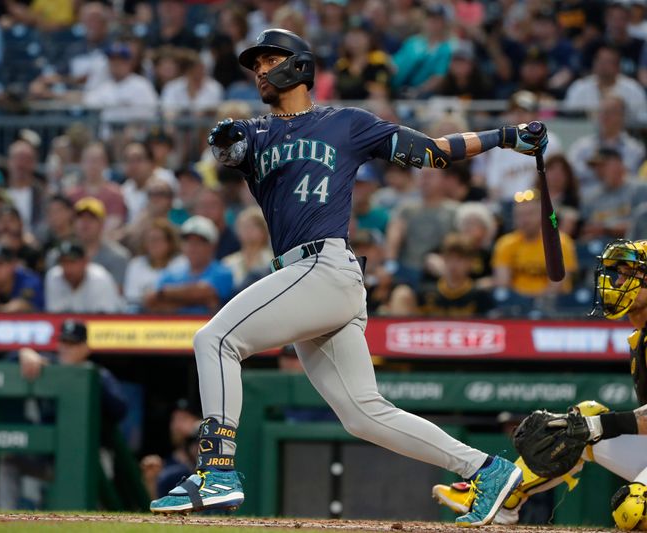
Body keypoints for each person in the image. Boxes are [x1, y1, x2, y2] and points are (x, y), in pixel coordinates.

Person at [149, 28, 550, 525]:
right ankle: (488, 470)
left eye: (269, 60)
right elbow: (226, 150)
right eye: (255, 64)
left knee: (215, 340)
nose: (259, 71)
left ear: (297, 66)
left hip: (324, 267)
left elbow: (433, 152)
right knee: (363, 414)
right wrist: (225, 139)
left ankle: (217, 470)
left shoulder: (347, 123)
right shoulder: (259, 133)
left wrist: (506, 136)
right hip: (306, 277)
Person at [434, 239, 647, 530]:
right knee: (582, 420)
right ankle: (502, 499)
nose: (618, 282)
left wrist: (598, 427)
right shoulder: (641, 334)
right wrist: (591, 426)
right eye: (619, 274)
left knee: (635, 511)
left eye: (628, 275)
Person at [0, 319, 128, 509]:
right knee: (9, 460)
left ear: (85, 348)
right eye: (63, 342)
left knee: (100, 487)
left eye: (73, 344)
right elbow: (8, 362)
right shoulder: (47, 368)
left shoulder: (98, 375)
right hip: (51, 460)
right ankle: (4, 519)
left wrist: (89, 380)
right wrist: (23, 353)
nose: (66, 349)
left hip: (90, 461)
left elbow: (120, 409)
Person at [143, 216, 233, 315]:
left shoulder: (223, 272)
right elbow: (152, 301)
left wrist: (164, 294)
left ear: (212, 246)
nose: (192, 247)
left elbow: (205, 293)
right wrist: (194, 299)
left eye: (199, 242)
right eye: (188, 242)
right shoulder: (171, 273)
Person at [492, 197, 578, 297]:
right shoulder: (505, 243)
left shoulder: (560, 242)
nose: (524, 220)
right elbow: (503, 283)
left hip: (553, 304)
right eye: (519, 215)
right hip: (516, 303)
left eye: (530, 214)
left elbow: (556, 286)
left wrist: (533, 300)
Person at [123, 218, 185, 313]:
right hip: (142, 315)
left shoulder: (181, 263)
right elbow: (132, 299)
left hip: (175, 316)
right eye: (150, 240)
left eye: (158, 239)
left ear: (169, 242)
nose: (154, 244)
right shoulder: (136, 264)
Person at [45, 240, 123, 313]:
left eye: (72, 262)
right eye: (63, 262)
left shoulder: (100, 278)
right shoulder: (53, 277)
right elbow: (55, 317)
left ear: (85, 261)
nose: (67, 267)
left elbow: (105, 320)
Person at [222, 206, 273, 289]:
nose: (248, 230)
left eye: (253, 226)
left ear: (264, 230)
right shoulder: (228, 263)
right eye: (243, 226)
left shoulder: (273, 258)